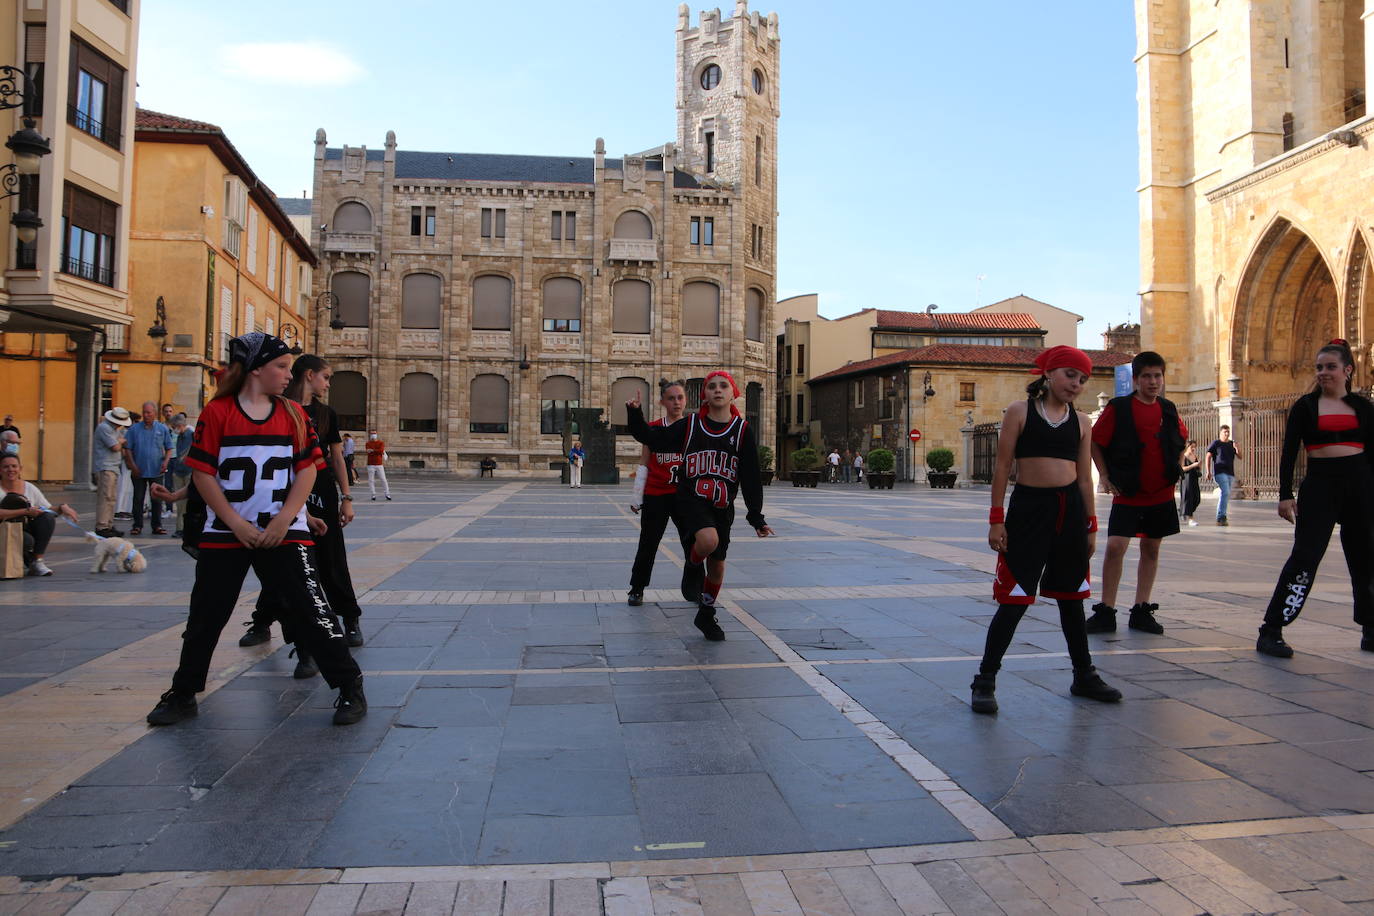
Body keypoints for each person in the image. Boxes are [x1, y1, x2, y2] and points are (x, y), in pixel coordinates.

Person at [144, 332, 365, 727]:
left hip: (286, 530)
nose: (288, 374)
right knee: (206, 615)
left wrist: (285, 519)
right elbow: (204, 473)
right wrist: (235, 523)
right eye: (280, 367)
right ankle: (183, 693)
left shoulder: (294, 415)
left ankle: (349, 687)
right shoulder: (218, 412)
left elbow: (308, 471)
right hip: (227, 533)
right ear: (255, 369)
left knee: (313, 609)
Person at [972, 346, 1121, 713]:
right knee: (1015, 599)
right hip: (1028, 511)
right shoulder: (1019, 412)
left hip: (1069, 511)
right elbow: (1003, 467)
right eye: (1070, 375)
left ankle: (1083, 674)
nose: (1076, 384)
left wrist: (1090, 525)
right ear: (1049, 374)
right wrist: (996, 519)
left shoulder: (1082, 422)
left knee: (1073, 600)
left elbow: (1085, 480)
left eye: (1083, 379)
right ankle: (985, 680)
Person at [627, 371, 775, 641]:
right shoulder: (692, 424)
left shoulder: (742, 430)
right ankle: (689, 568)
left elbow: (751, 477)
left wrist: (756, 517)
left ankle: (706, 613)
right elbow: (651, 437)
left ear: (733, 394)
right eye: (711, 387)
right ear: (704, 394)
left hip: (721, 504)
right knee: (705, 541)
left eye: (723, 386)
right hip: (690, 498)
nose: (717, 390)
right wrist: (634, 413)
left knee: (718, 565)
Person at [239, 354, 366, 666]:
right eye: (325, 377)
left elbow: (336, 457)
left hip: (320, 490)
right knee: (281, 560)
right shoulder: (277, 407)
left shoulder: (326, 414)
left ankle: (349, 618)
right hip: (284, 490)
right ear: (309, 376)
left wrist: (346, 496)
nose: (328, 383)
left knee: (331, 557)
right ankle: (263, 620)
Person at [1256, 339, 1374, 658]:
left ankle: (1370, 629)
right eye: (1319, 367)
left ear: (1347, 370)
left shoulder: (1363, 408)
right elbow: (1289, 452)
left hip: (1361, 487)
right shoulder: (1306, 406)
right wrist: (1284, 495)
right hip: (1320, 486)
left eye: (1330, 367)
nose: (1323, 373)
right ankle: (1271, 630)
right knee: (1305, 558)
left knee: (1366, 560)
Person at [1086, 351, 1188, 636]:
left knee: (1151, 549)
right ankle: (1106, 610)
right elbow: (1095, 441)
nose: (1153, 382)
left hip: (1160, 493)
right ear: (1135, 379)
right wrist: (1104, 475)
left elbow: (1182, 439)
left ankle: (1141, 610)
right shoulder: (1119, 408)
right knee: (1116, 546)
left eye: (1157, 376)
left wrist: (1176, 469)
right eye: (1147, 376)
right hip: (1128, 491)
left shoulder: (1168, 409)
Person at [627, 381, 688, 606]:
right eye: (671, 398)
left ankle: (695, 586)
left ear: (686, 400)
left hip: (684, 497)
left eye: (680, 397)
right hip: (656, 495)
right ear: (662, 402)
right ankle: (637, 588)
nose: (676, 402)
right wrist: (637, 497)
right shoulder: (653, 428)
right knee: (648, 542)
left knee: (692, 543)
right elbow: (644, 462)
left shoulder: (692, 428)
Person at [0, 453, 80, 576]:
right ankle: (24, 559)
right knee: (26, 540)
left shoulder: (30, 487)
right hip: (3, 529)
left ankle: (37, 561)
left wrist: (62, 507)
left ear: (20, 468)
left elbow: (47, 509)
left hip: (24, 526)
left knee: (47, 518)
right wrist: (25, 511)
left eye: (14, 466)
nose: (11, 470)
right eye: (6, 467)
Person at [123, 401, 173, 536]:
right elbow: (127, 449)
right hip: (138, 470)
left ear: (155, 413)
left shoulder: (162, 429)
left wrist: (166, 462)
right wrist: (132, 466)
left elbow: (169, 448)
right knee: (138, 498)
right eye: (144, 412)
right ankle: (137, 525)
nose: (146, 415)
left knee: (156, 499)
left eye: (149, 412)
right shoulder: (134, 429)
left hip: (156, 469)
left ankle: (157, 525)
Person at [93, 407, 132, 537]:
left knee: (111, 498)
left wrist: (120, 441)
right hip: (105, 467)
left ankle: (108, 524)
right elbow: (115, 446)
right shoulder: (104, 428)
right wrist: (120, 441)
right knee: (105, 497)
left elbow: (121, 443)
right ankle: (102, 526)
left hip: (113, 467)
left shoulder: (114, 430)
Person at [1205, 425, 1242, 526]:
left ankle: (1220, 518)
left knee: (1225, 494)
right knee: (1226, 492)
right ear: (1220, 433)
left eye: (1228, 432)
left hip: (1230, 473)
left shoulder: (1231, 444)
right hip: (1220, 472)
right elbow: (1208, 456)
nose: (1227, 434)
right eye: (1225, 432)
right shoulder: (1216, 443)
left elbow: (1240, 456)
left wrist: (1237, 447)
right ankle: (1222, 516)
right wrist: (1208, 471)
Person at [1179, 440, 1202, 527]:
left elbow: (1198, 468)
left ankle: (1183, 510)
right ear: (1187, 447)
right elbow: (1182, 469)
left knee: (1197, 498)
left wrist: (1199, 465)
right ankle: (1190, 519)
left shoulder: (1194, 456)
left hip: (1194, 479)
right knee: (1189, 498)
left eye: (1194, 447)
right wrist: (1193, 465)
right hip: (1186, 479)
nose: (1193, 448)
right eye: (1191, 447)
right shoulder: (1184, 457)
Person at [364, 429, 391, 500]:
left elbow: (381, 451)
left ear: (376, 434)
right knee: (371, 480)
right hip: (370, 464)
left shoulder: (381, 443)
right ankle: (373, 494)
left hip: (379, 463)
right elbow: (368, 451)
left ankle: (387, 494)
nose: (373, 435)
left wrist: (372, 450)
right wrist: (376, 450)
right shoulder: (368, 443)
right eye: (371, 433)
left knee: (383, 479)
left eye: (374, 433)